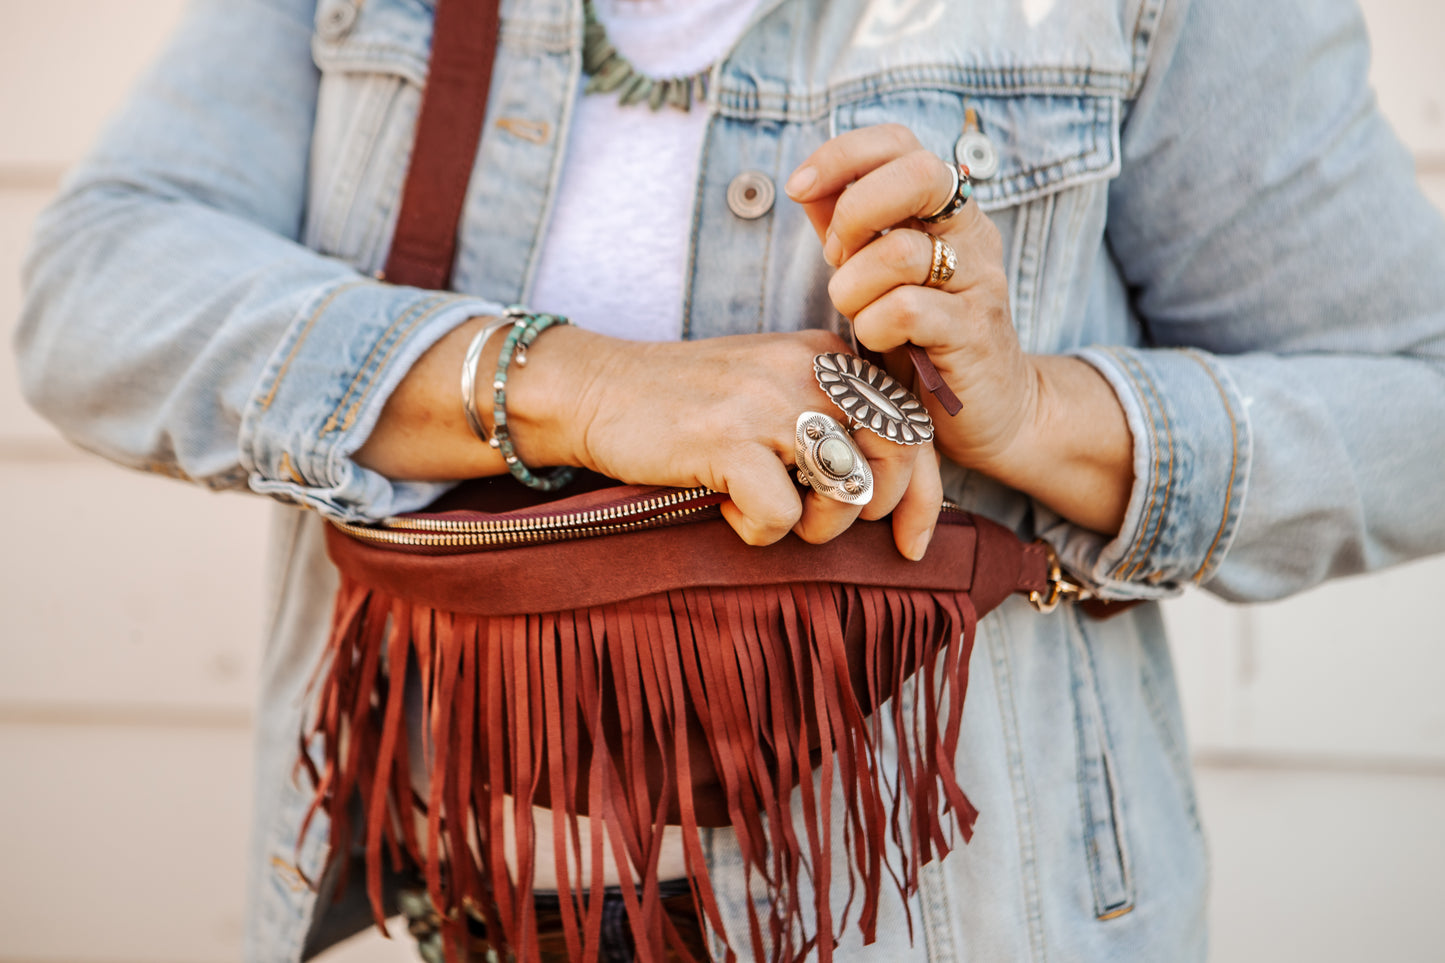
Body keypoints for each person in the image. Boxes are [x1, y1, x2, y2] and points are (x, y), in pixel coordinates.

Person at [15, 0, 1445, 959]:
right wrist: (579, 384)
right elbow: (100, 282)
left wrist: (1033, 413)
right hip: (432, 908)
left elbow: (1417, 399)